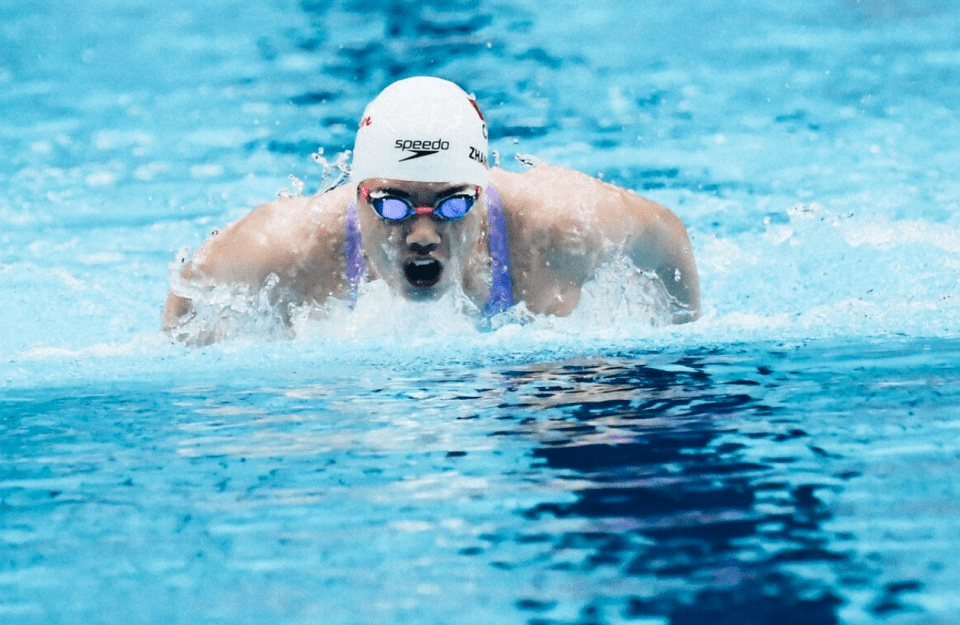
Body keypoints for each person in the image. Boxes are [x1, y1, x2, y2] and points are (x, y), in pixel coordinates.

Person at [162, 76, 700, 340]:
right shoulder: (285, 246)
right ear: (357, 193)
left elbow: (667, 235)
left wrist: (678, 336)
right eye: (393, 205)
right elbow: (189, 294)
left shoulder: (559, 225)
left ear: (482, 194)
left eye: (452, 203)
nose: (422, 235)